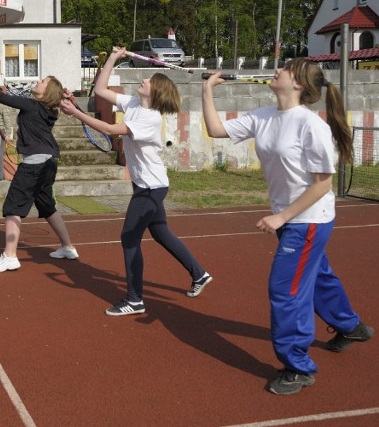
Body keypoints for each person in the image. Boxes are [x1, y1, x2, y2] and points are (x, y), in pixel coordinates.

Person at [202, 58, 374, 395]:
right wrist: (207, 90)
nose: (276, 71)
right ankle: (350, 326)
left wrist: (281, 217)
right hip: (290, 216)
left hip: (307, 220)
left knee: (286, 290)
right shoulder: (264, 116)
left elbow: (323, 184)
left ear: (297, 83)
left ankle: (298, 367)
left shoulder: (312, 126)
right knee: (318, 277)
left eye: (283, 69)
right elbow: (216, 130)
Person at [60, 47, 212, 316]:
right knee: (160, 232)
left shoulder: (149, 118)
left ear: (155, 93)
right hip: (149, 185)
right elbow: (100, 90)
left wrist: (75, 113)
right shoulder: (132, 103)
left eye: (150, 81)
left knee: (129, 239)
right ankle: (199, 274)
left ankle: (135, 299)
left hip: (150, 188)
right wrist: (112, 58)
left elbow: (109, 129)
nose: (144, 80)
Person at [0, 70, 78, 272]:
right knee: (47, 206)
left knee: (13, 207)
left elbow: (0, 96)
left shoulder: (32, 105)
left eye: (42, 81)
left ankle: (10, 256)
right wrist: (64, 96)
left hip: (35, 163)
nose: (38, 81)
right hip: (49, 162)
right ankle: (68, 247)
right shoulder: (50, 111)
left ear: (47, 92)